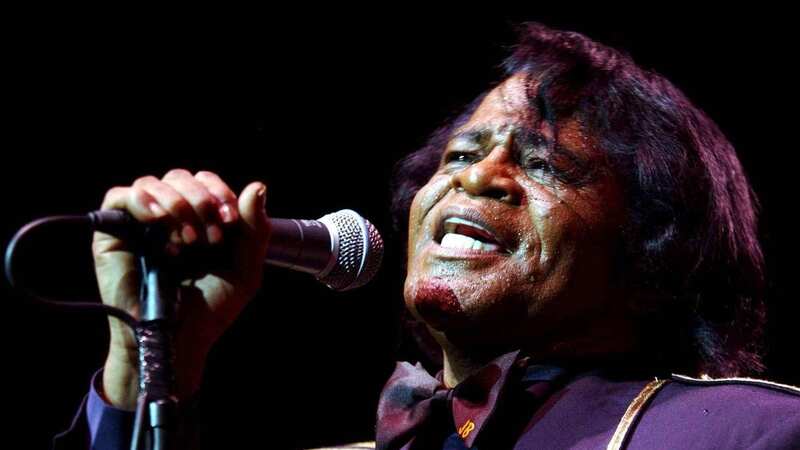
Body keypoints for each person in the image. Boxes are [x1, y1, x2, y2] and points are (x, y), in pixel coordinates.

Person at [56, 22, 799, 449]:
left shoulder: (751, 433)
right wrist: (151, 358)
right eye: (461, 155)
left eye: (546, 165)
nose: (475, 180)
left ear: (654, 252)